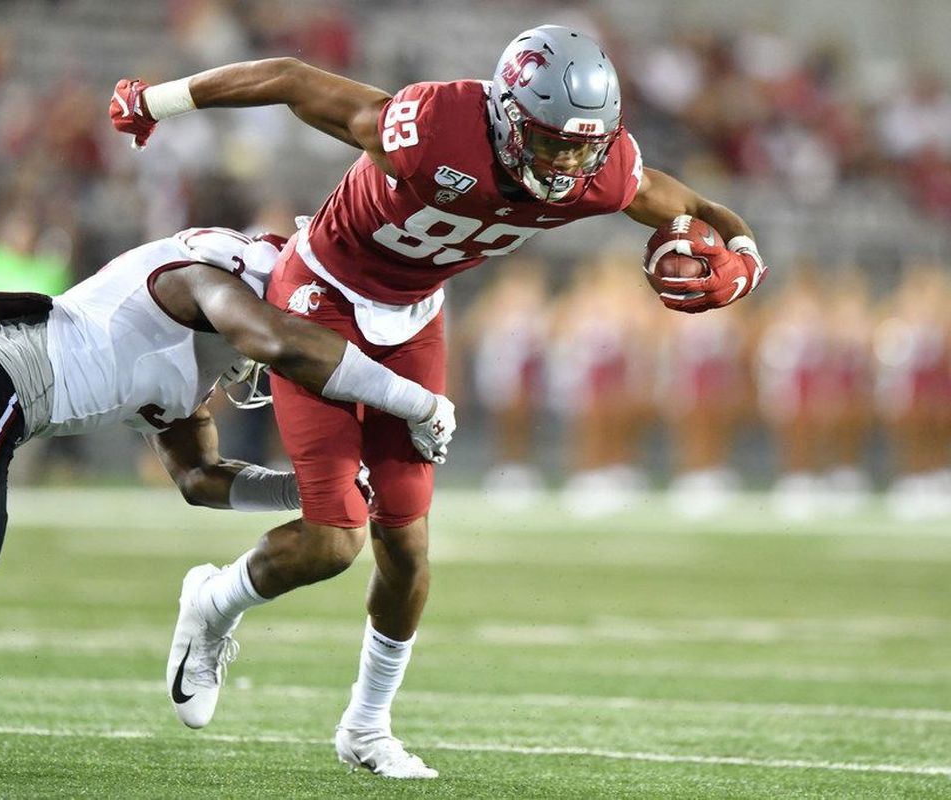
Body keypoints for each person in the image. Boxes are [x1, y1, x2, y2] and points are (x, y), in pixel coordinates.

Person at [110, 24, 769, 778]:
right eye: (551, 143)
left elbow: (699, 209)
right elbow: (294, 79)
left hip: (414, 320)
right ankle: (214, 602)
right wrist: (157, 101)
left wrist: (745, 263)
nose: (565, 164)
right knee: (333, 540)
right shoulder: (434, 128)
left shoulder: (602, 169)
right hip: (319, 299)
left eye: (581, 147)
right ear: (507, 117)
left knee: (409, 550)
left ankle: (366, 727)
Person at [0, 227, 455, 701]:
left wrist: (298, 492)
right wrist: (414, 400)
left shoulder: (190, 362)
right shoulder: (206, 279)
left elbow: (199, 479)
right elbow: (269, 335)